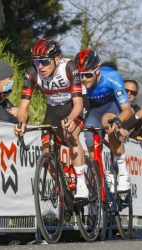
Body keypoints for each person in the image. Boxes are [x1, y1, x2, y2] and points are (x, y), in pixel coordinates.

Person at [14, 38, 90, 199]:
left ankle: (82, 184)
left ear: (56, 59)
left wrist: (70, 119)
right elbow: (23, 107)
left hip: (75, 104)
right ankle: (63, 189)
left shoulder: (69, 67)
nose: (40, 66)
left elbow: (78, 104)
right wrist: (21, 123)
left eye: (44, 62)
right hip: (53, 108)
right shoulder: (32, 72)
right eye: (37, 61)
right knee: (47, 150)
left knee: (71, 135)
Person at [74, 49, 133, 192]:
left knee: (108, 122)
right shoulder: (78, 81)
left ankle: (123, 171)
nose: (84, 79)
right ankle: (99, 190)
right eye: (80, 75)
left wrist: (118, 120)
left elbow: (128, 110)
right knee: (90, 137)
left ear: (97, 69)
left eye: (88, 75)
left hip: (112, 105)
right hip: (93, 109)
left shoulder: (112, 77)